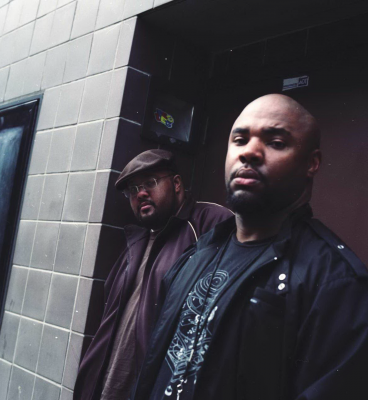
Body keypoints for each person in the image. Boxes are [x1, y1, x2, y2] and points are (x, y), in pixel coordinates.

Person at [132, 94, 368, 400]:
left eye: (276, 143)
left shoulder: (337, 284)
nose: (250, 152)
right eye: (240, 140)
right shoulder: (197, 255)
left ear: (312, 163)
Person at [74, 149, 233, 400]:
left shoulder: (210, 223)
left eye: (150, 182)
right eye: (133, 190)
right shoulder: (135, 242)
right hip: (111, 387)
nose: (141, 194)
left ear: (177, 184)